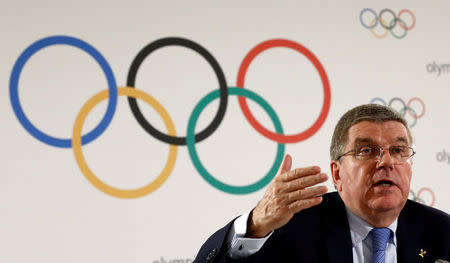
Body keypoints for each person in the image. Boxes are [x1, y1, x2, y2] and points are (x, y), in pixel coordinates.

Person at [193, 104, 450, 263]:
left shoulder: (442, 232)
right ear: (337, 174)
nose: (386, 162)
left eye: (398, 150)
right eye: (367, 151)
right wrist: (255, 224)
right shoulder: (293, 229)